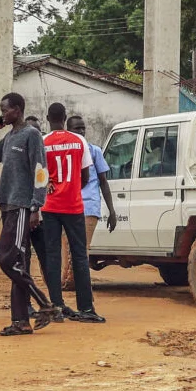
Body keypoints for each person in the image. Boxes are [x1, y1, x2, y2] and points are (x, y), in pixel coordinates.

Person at [0, 93, 47, 336]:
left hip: (21, 207)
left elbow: (40, 171)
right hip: (6, 206)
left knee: (7, 261)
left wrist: (35, 207)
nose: (2, 114)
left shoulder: (31, 135)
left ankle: (45, 304)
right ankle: (20, 321)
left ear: (17, 110)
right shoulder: (9, 137)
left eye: (5, 110)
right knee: (17, 264)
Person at [34, 102, 106, 323]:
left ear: (47, 118)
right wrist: (72, 187)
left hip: (50, 207)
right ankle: (86, 308)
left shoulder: (43, 142)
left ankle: (56, 305)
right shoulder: (79, 141)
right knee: (79, 257)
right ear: (65, 118)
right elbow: (85, 176)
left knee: (53, 256)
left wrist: (50, 190)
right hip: (74, 206)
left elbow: (39, 177)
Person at [63, 113, 118, 291]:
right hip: (67, 206)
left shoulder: (94, 151)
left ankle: (80, 285)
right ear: (68, 130)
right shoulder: (63, 151)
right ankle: (68, 282)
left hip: (88, 206)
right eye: (76, 128)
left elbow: (103, 181)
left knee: (81, 248)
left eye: (83, 128)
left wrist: (112, 210)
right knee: (66, 247)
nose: (81, 131)